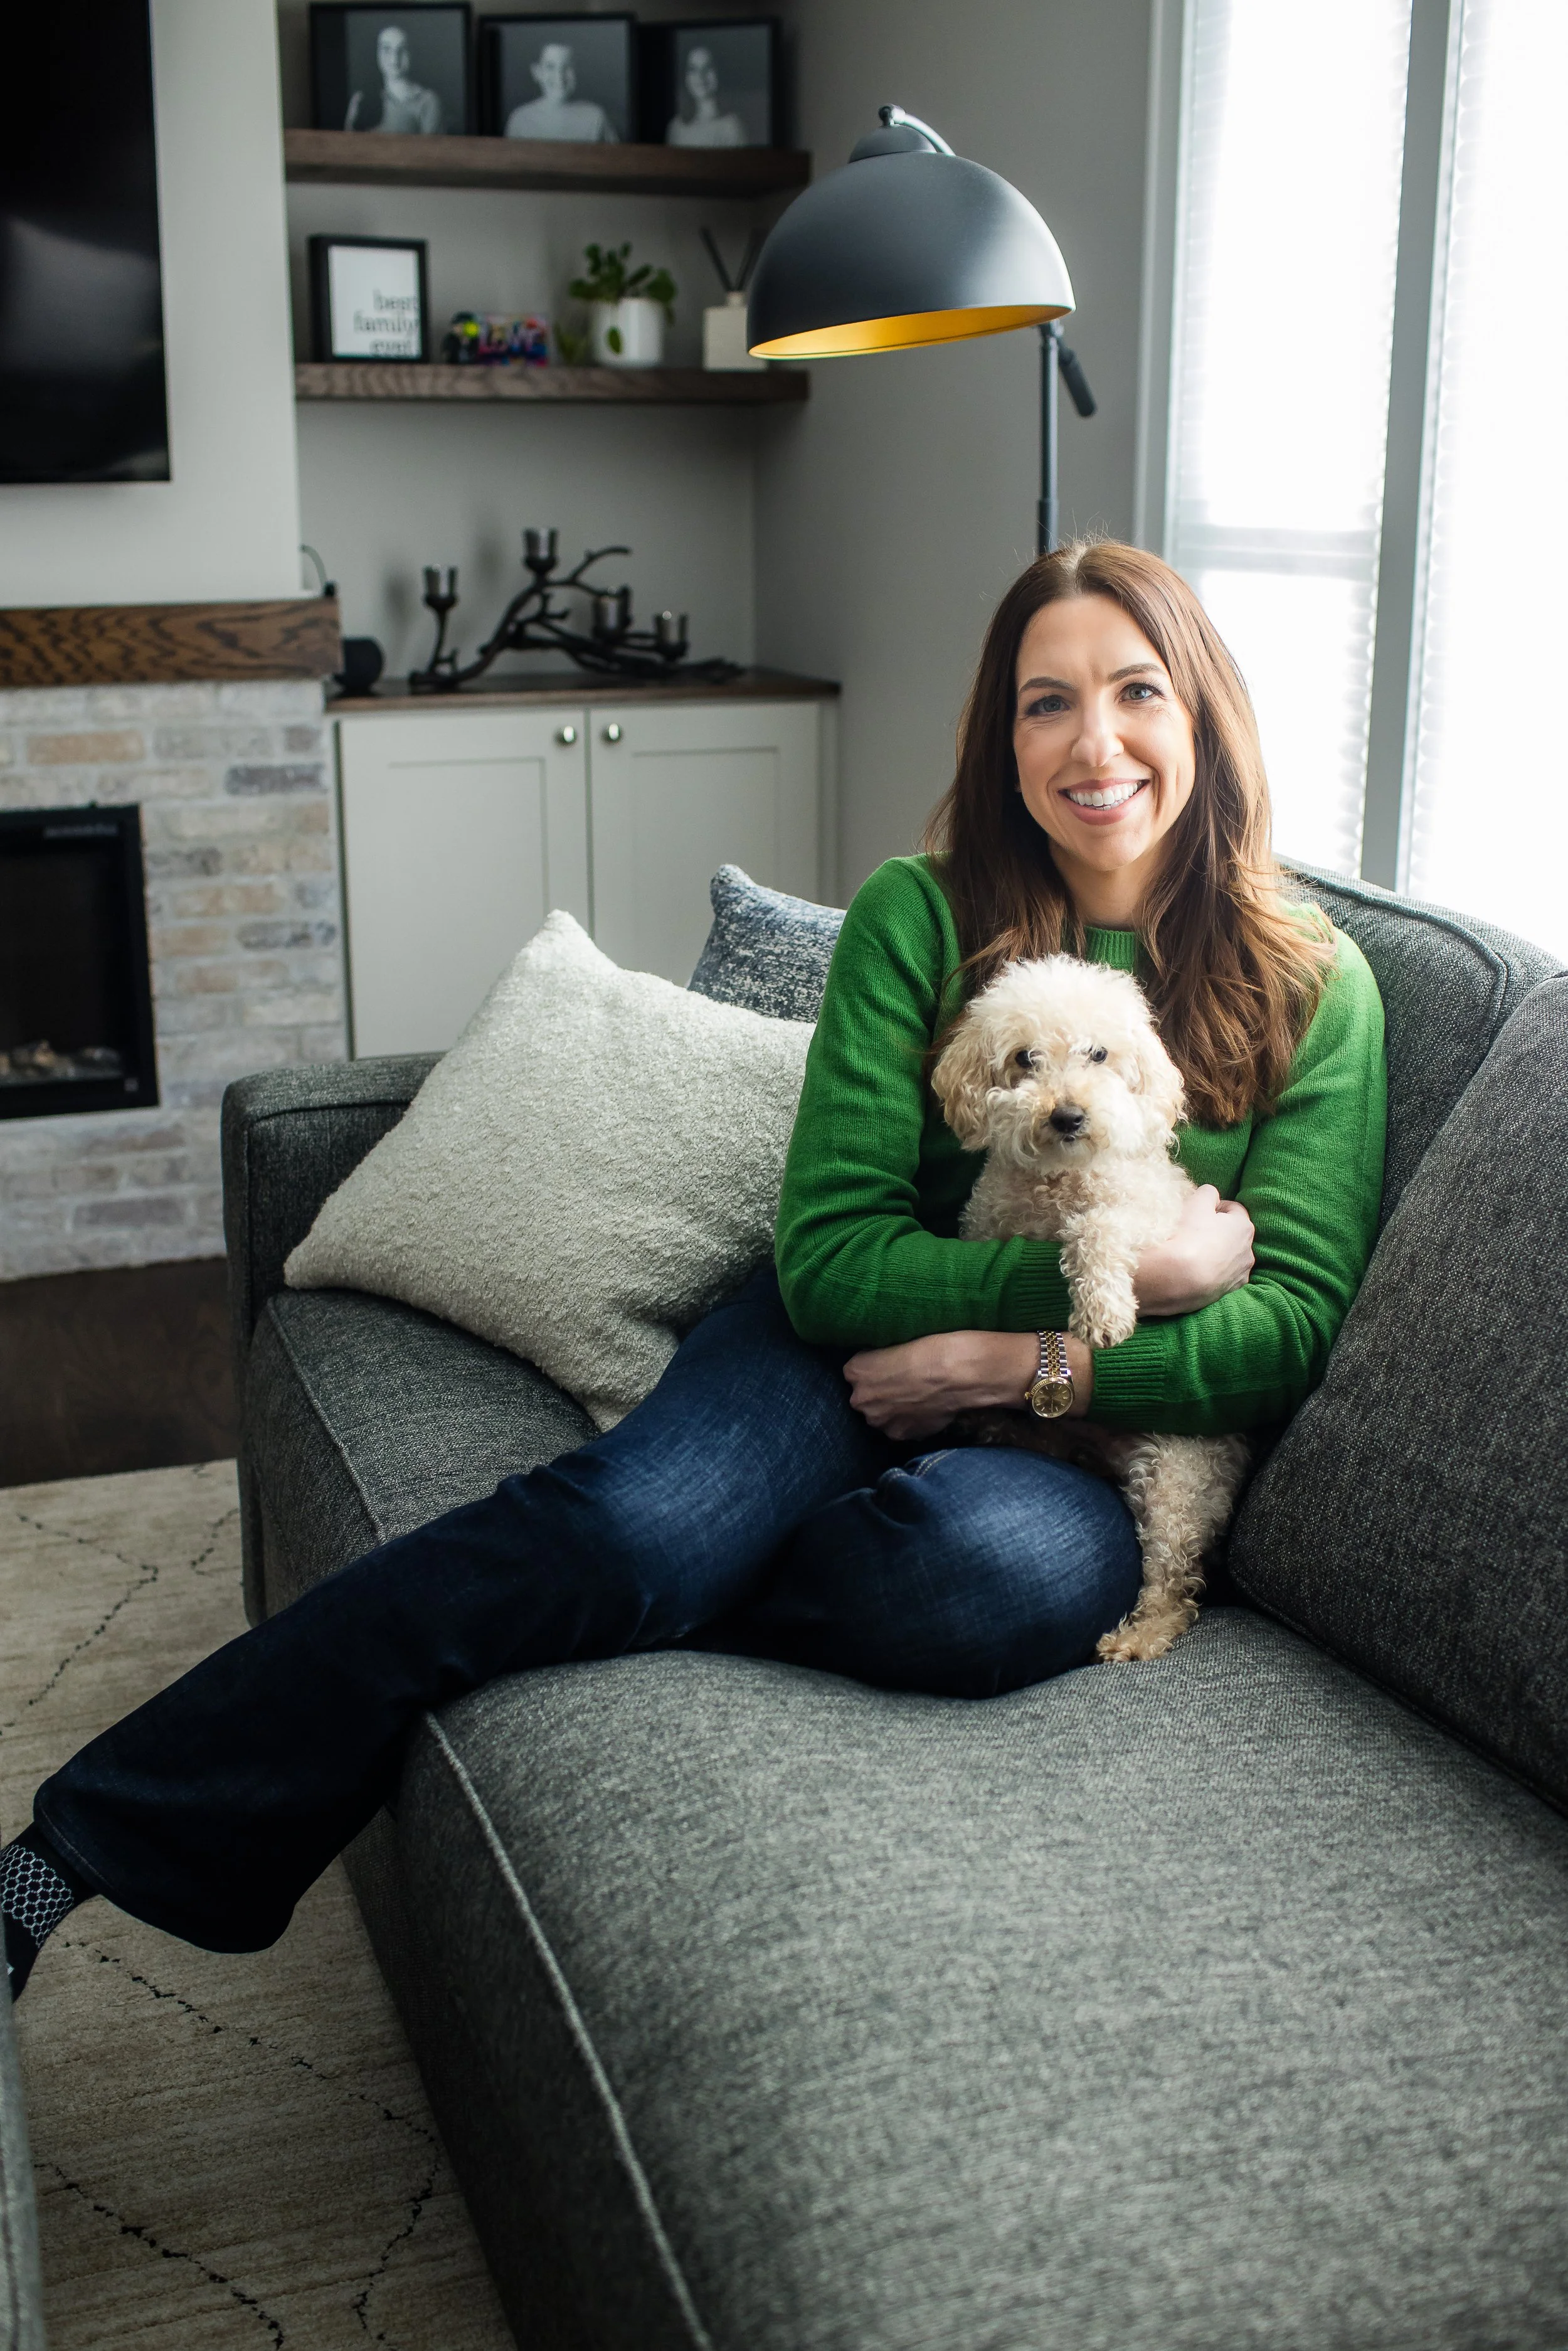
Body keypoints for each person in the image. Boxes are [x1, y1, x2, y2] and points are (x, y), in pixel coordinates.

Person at [1, 541, 1386, 2000]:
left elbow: (1285, 1332)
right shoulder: (919, 913)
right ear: (1005, 736)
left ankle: (673, 1576)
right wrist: (1112, 1286)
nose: (1094, 742)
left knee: (972, 1582)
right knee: (623, 1527)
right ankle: (69, 1852)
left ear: (1203, 711)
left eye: (1136, 691)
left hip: (1081, 1424)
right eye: (1048, 702)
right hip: (831, 1353)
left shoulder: (1313, 984)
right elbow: (834, 1260)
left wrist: (1012, 1362)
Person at [504, 41, 618, 143]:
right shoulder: (520, 119)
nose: (560, 77)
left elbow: (615, 157)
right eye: (550, 67)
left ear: (577, 70)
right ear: (537, 72)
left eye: (567, 67)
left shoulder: (595, 117)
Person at [345, 24, 443, 135]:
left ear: (412, 52)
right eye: (387, 49)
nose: (394, 58)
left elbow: (433, 145)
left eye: (403, 49)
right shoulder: (360, 99)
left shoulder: (427, 101)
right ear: (377, 53)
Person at [667, 45, 748, 147]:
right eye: (693, 69)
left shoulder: (732, 126)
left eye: (708, 67)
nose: (701, 76)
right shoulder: (676, 128)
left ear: (718, 72)